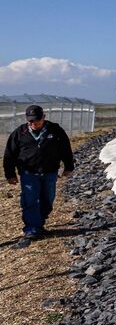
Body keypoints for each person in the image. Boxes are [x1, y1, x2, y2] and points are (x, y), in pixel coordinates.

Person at [4, 105, 74, 248]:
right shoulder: (19, 133)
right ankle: (32, 229)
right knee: (30, 199)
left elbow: (65, 149)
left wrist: (68, 166)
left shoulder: (55, 131)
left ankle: (39, 221)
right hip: (28, 173)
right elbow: (9, 155)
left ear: (43, 117)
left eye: (36, 121)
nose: (33, 124)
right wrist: (10, 174)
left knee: (48, 199)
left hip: (50, 172)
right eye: (30, 121)